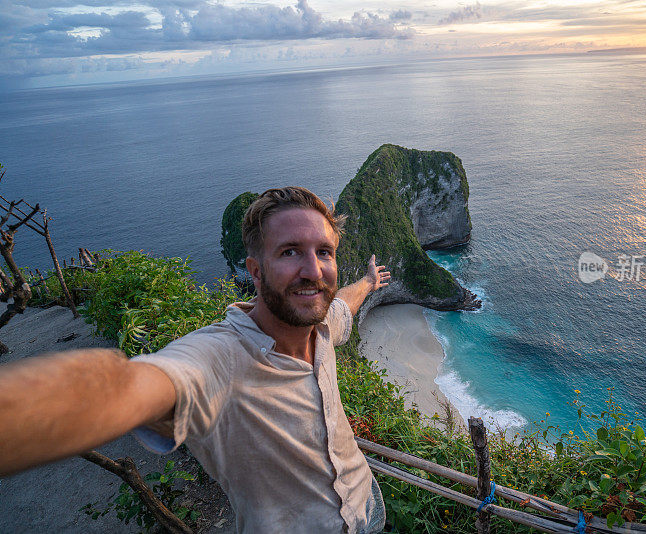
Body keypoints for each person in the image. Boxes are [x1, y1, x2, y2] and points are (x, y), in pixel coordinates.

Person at [0, 186, 391, 533]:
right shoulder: (218, 358)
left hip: (366, 505)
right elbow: (131, 387)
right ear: (255, 271)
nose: (313, 270)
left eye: (324, 252)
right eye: (290, 252)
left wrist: (370, 282)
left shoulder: (321, 327)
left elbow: (343, 304)